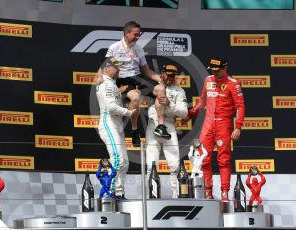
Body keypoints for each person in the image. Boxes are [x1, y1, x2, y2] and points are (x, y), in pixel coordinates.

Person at [182, 57, 245, 200]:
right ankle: (208, 191)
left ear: (225, 68)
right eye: (213, 70)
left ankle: (224, 192)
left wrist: (238, 127)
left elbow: (240, 106)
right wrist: (191, 114)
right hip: (208, 123)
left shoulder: (233, 83)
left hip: (224, 124)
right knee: (202, 158)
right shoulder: (208, 80)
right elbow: (202, 101)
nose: (215, 74)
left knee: (224, 160)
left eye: (218, 71)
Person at [100, 21, 171, 146]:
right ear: (126, 33)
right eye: (135, 34)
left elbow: (147, 71)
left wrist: (160, 80)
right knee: (136, 97)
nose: (138, 37)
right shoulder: (114, 48)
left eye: (139, 35)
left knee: (160, 89)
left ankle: (161, 126)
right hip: (123, 80)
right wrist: (102, 82)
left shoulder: (139, 49)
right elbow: (106, 67)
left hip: (138, 78)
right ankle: (135, 131)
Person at [96, 56, 139, 199]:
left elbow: (114, 102)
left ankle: (119, 192)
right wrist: (129, 112)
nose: (118, 69)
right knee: (117, 158)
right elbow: (111, 107)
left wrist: (123, 93)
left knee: (124, 161)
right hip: (108, 124)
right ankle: (110, 192)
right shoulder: (106, 85)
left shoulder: (112, 85)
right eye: (116, 66)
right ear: (107, 69)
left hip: (116, 125)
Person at [145, 64, 188, 198]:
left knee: (174, 165)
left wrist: (170, 103)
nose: (170, 78)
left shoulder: (179, 91)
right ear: (162, 74)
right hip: (153, 126)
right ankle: (150, 196)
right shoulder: (153, 86)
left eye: (172, 75)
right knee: (150, 165)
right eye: (168, 75)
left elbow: (184, 113)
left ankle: (176, 196)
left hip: (169, 127)